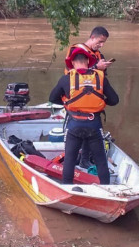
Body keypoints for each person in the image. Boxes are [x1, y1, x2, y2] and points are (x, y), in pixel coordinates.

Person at [48, 51, 119, 186]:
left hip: (74, 125)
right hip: (94, 125)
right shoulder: (101, 77)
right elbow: (114, 100)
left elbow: (52, 98)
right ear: (87, 61)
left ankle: (68, 188)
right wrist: (100, 101)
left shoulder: (66, 78)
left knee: (69, 159)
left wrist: (67, 103)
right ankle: (108, 190)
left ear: (73, 63)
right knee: (100, 160)